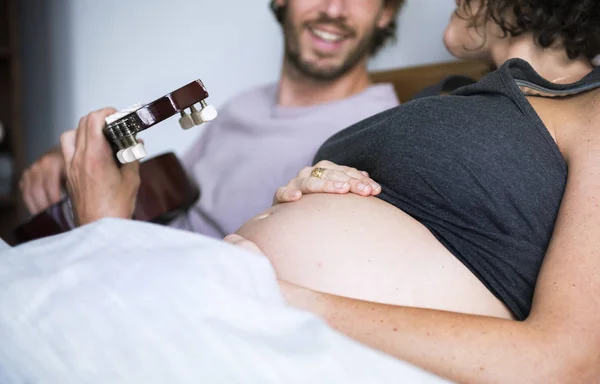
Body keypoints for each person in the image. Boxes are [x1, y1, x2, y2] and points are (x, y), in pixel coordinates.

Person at [7, 0, 600, 382]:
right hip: (220, 315)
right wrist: (311, 183)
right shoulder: (453, 100)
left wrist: (274, 295)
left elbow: (567, 364)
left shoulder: (592, 113)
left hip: (266, 323)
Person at [18, 0, 403, 239]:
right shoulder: (243, 105)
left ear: (386, 12)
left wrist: (101, 224)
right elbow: (157, 197)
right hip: (141, 256)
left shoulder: (379, 130)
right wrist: (67, 162)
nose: (334, 9)